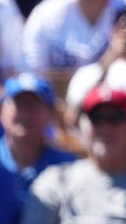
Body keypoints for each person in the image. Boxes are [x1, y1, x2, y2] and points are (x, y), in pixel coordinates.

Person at [21, 85, 126, 223]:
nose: (105, 129)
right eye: (96, 118)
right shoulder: (57, 180)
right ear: (82, 126)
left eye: (115, 119)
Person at [0, 73, 76, 203]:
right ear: (2, 111)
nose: (26, 114)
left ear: (51, 114)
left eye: (33, 106)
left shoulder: (67, 167)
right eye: (19, 105)